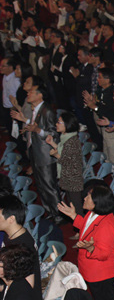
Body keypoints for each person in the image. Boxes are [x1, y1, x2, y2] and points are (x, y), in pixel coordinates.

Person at [57, 183, 114, 300]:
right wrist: (74, 216)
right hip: (92, 270)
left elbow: (104, 253)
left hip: (101, 273)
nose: (84, 198)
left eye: (88, 196)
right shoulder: (93, 214)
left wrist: (91, 248)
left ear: (97, 202)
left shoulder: (107, 225)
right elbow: (86, 228)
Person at [11, 84, 62, 222]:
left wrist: (37, 130)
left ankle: (58, 214)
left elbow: (53, 134)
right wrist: (25, 121)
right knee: (40, 184)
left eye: (31, 92)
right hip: (35, 151)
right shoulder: (37, 110)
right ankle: (50, 211)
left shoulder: (47, 111)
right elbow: (36, 127)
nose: (28, 94)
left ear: (40, 95)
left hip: (45, 154)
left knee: (49, 185)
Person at [46, 111, 84, 216]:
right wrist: (52, 143)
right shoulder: (66, 137)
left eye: (59, 122)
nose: (56, 124)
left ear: (67, 124)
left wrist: (56, 155)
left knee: (76, 207)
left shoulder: (72, 141)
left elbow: (68, 161)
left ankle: (80, 225)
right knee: (72, 205)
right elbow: (63, 151)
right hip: (68, 177)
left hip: (73, 179)